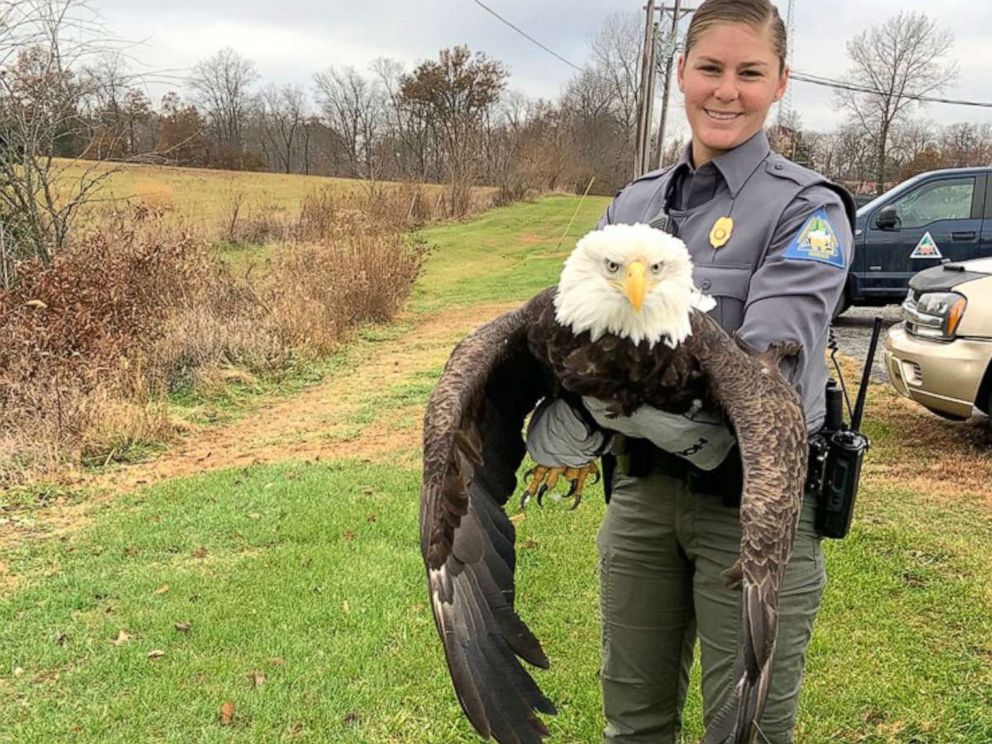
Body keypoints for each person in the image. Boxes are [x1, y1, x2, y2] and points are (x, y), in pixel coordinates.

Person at [527, 0, 856, 741]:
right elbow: (580, 333)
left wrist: (617, 398)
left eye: (749, 72)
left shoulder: (806, 210)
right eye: (709, 68)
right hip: (641, 499)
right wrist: (570, 401)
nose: (725, 90)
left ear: (780, 83)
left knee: (746, 727)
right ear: (681, 74)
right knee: (633, 724)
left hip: (753, 509)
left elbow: (763, 362)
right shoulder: (634, 204)